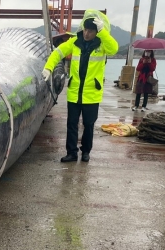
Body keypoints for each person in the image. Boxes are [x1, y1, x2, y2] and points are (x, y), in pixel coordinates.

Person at [42, 10, 118, 163]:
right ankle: (71, 152)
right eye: (85, 29)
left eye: (91, 30)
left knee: (88, 125)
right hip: (75, 92)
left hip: (92, 94)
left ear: (97, 32)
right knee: (71, 124)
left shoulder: (102, 44)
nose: (87, 33)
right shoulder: (74, 42)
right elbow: (58, 52)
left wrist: (103, 32)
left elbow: (114, 48)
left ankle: (86, 152)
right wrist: (48, 67)